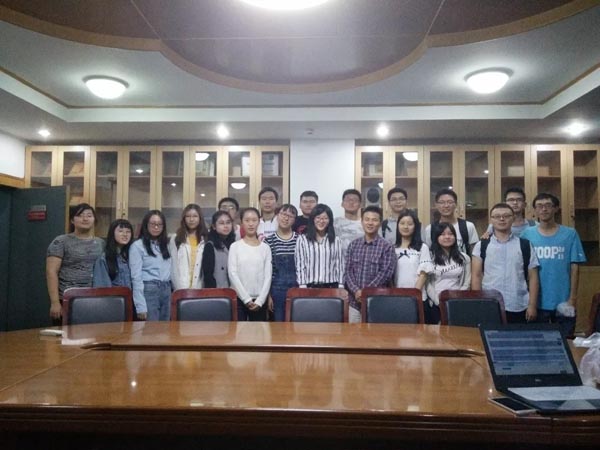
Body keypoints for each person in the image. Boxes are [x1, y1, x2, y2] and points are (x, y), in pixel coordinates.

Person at [521, 193, 586, 335]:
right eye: (539, 206)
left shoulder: (570, 234)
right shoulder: (526, 235)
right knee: (538, 342)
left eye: (548, 205)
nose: (544, 209)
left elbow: (575, 268)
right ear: (534, 210)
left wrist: (572, 299)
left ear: (556, 208)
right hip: (536, 302)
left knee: (566, 341)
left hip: (563, 301)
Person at [471, 203, 540, 323]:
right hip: (489, 304)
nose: (502, 219)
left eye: (506, 216)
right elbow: (476, 276)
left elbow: (533, 277)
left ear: (513, 218)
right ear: (491, 220)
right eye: (497, 216)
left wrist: (532, 305)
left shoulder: (525, 245)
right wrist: (477, 303)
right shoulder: (482, 245)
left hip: (518, 305)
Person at [46, 203, 105, 321]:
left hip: (94, 298)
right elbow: (51, 272)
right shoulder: (61, 241)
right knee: (66, 332)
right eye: (80, 215)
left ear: (94, 220)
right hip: (68, 298)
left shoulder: (101, 243)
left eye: (89, 215)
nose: (85, 218)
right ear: (72, 220)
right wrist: (55, 302)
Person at [344, 206, 396, 322]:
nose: (370, 223)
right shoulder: (353, 245)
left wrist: (365, 292)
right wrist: (356, 291)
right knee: (353, 333)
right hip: (354, 303)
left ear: (380, 223)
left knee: (375, 333)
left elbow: (385, 274)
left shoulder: (387, 247)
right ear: (362, 222)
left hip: (377, 302)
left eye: (374, 220)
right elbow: (348, 271)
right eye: (367, 219)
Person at [228, 207, 272, 321]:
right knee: (239, 331)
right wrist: (246, 299)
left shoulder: (265, 248)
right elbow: (232, 274)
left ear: (259, 222)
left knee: (259, 331)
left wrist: (260, 300)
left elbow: (268, 276)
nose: (251, 224)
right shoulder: (235, 246)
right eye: (247, 220)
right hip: (239, 299)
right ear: (241, 222)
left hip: (260, 301)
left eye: (254, 220)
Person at [425, 222, 471, 324]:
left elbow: (467, 283)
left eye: (450, 234)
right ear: (436, 237)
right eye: (442, 234)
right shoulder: (430, 258)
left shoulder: (464, 258)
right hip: (436, 303)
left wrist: (457, 299)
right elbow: (427, 283)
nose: (447, 237)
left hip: (457, 302)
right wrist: (438, 302)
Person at [129, 210, 171, 321]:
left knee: (167, 328)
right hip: (149, 289)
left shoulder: (167, 245)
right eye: (153, 224)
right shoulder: (137, 246)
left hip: (167, 289)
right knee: (151, 329)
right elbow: (136, 277)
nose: (156, 227)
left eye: (159, 224)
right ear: (146, 225)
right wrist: (140, 305)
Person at [295, 203, 344, 289]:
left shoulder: (336, 240)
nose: (321, 221)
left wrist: (341, 285)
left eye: (325, 218)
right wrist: (302, 285)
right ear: (313, 219)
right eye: (318, 218)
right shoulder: (302, 239)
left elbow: (340, 265)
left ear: (330, 221)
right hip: (309, 286)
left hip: (331, 286)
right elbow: (300, 264)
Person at [265, 204, 299, 321]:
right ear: (277, 216)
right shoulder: (269, 241)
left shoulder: (300, 240)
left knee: (296, 326)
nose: (286, 218)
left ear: (294, 220)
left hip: (296, 289)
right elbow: (267, 271)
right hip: (276, 291)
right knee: (278, 327)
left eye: (290, 216)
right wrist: (268, 295)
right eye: (283, 214)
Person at [423, 188, 478, 256]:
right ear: (436, 205)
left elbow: (475, 254)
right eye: (442, 202)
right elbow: (427, 253)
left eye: (450, 202)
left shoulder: (468, 226)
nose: (446, 206)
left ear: (456, 204)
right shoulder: (430, 229)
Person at [169, 204, 208, 290]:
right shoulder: (176, 238)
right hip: (180, 286)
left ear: (200, 218)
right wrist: (177, 288)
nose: (191, 219)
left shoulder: (206, 238)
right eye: (188, 216)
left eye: (195, 216)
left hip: (200, 286)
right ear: (184, 219)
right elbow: (173, 267)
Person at [393, 210, 431, 298]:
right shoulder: (392, 248)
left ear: (415, 226)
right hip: (397, 296)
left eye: (410, 224)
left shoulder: (422, 247)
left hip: (417, 297)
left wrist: (413, 295)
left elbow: (423, 274)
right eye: (402, 223)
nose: (405, 227)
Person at [92, 218, 134, 289]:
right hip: (114, 295)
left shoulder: (133, 256)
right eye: (120, 231)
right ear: (112, 233)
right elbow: (102, 288)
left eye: (128, 232)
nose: (125, 234)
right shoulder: (104, 258)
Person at [201, 211, 235, 288]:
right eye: (221, 223)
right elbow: (208, 275)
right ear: (214, 226)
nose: (226, 226)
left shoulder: (234, 244)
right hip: (217, 290)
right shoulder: (210, 246)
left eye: (228, 222)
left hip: (234, 289)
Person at [333, 188, 364, 260]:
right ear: (342, 204)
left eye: (355, 200)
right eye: (348, 200)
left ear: (360, 204)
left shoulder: (366, 224)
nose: (351, 202)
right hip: (339, 264)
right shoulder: (334, 223)